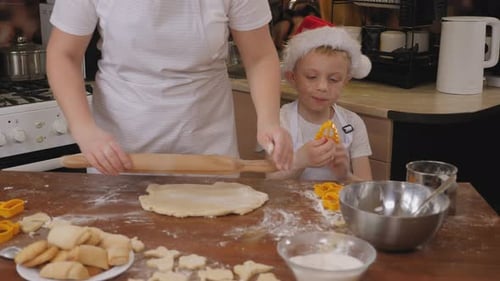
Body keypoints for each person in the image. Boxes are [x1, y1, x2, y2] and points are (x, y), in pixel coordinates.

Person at [46, 0, 293, 176]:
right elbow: (63, 53)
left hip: (206, 146)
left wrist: (269, 121)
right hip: (120, 149)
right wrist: (83, 128)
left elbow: (259, 56)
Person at [267, 20, 373, 182]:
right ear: (292, 77)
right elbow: (270, 184)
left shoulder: (352, 125)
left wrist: (345, 175)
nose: (323, 87)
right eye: (311, 77)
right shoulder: (279, 122)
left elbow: (368, 192)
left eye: (334, 79)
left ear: (346, 81)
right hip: (293, 207)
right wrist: (299, 161)